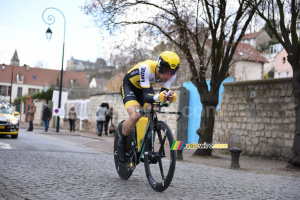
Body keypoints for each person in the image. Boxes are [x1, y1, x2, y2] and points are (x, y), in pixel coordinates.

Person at [117, 51, 179, 162]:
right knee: (135, 115)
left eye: (172, 72)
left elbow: (162, 94)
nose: (168, 76)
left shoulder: (172, 76)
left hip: (144, 88)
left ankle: (148, 148)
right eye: (165, 71)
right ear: (159, 67)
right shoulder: (146, 68)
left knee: (153, 110)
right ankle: (122, 142)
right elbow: (147, 97)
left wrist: (169, 98)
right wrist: (159, 98)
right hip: (130, 87)